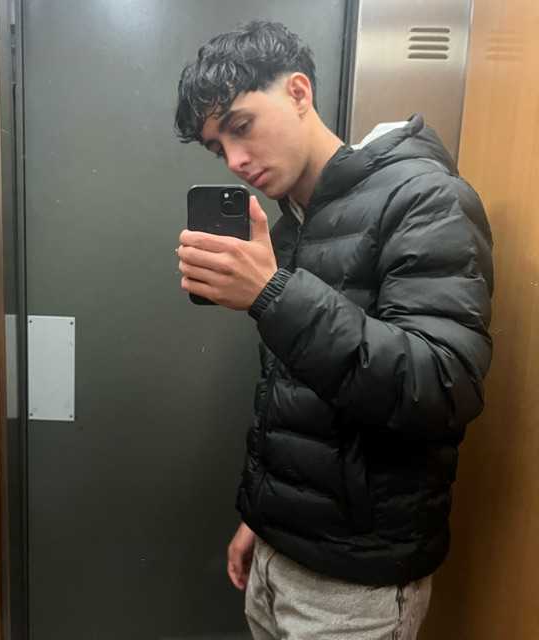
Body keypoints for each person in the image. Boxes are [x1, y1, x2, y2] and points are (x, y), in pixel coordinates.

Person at [174, 20, 493, 640]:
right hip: (279, 555)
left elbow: (442, 386)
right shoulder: (294, 222)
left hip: (355, 588)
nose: (235, 161)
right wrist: (262, 517)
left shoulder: (426, 200)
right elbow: (300, 399)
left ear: (298, 92)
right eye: (217, 148)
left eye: (241, 126)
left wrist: (272, 295)